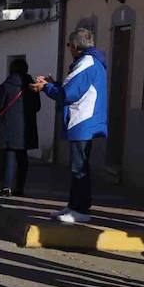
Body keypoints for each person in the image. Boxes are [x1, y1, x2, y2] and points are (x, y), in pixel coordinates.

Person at [33, 27, 108, 223]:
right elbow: (72, 88)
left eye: (69, 45)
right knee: (78, 167)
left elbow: (69, 94)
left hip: (83, 121)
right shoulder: (89, 62)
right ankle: (74, 206)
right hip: (83, 121)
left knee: (79, 167)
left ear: (75, 46)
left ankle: (80, 210)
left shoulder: (86, 63)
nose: (69, 49)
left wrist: (45, 87)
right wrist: (52, 84)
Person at [0, 57, 40, 196]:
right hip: (26, 128)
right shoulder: (32, 86)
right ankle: (20, 188)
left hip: (9, 126)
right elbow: (37, 107)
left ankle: (6, 187)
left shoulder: (6, 85)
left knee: (9, 156)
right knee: (23, 158)